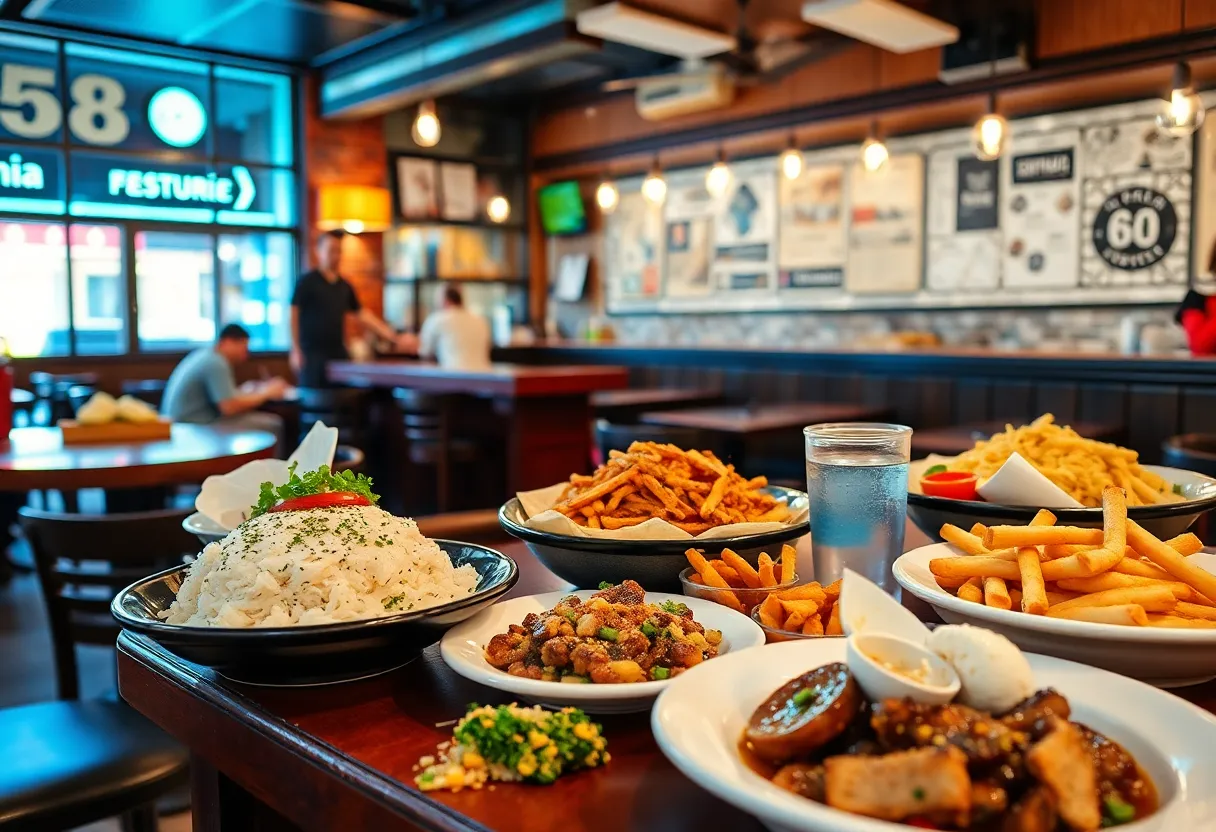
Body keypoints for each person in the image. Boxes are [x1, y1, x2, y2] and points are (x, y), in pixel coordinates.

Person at [291, 230, 414, 387]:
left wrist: (394, 337)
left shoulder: (344, 286)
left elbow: (363, 315)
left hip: (337, 353)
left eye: (338, 250)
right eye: (330, 250)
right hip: (311, 355)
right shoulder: (306, 282)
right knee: (314, 401)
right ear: (318, 251)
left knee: (343, 400)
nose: (335, 255)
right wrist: (295, 349)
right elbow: (293, 315)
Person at [162, 324, 289, 429]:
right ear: (228, 342)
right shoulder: (216, 362)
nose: (245, 356)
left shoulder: (206, 355)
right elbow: (229, 407)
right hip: (195, 426)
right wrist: (267, 393)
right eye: (244, 348)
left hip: (180, 423)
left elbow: (224, 399)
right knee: (273, 424)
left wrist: (246, 390)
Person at [418, 284, 492, 370]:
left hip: (453, 377)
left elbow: (425, 353)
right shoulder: (481, 320)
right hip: (485, 376)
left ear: (444, 301)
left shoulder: (437, 319)